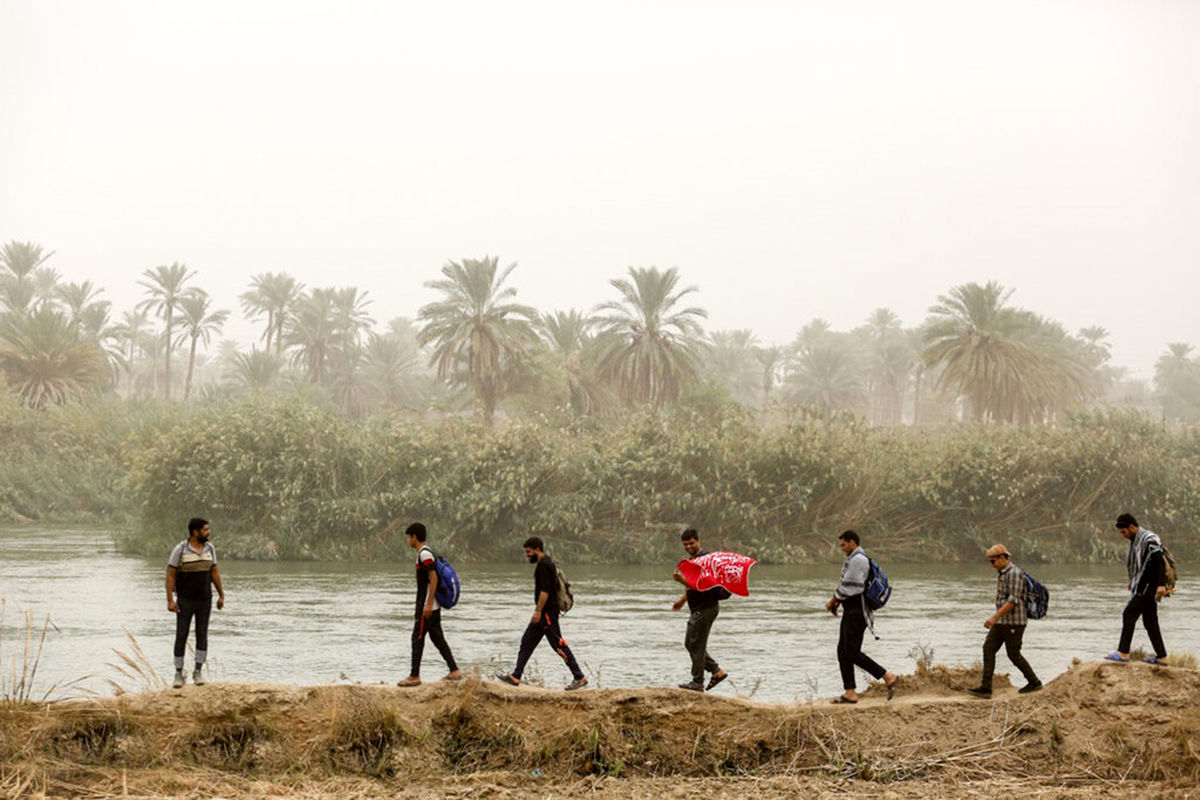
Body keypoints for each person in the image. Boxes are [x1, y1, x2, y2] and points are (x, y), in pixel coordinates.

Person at [497, 537, 587, 691]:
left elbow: (545, 591)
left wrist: (538, 611)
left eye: (529, 552)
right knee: (527, 642)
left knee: (558, 644)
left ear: (537, 549)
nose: (527, 555)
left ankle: (579, 677)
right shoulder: (546, 563)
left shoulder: (544, 565)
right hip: (544, 614)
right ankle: (516, 676)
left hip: (547, 613)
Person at [825, 530, 898, 704]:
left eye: (843, 545)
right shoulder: (854, 559)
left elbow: (853, 587)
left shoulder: (858, 560)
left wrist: (833, 600)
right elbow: (848, 587)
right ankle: (850, 692)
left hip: (857, 612)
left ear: (852, 542)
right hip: (851, 610)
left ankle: (887, 676)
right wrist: (838, 603)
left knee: (851, 652)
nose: (842, 548)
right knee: (843, 651)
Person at [967, 544, 1042, 697]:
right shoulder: (1003, 573)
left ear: (1002, 558)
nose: (991, 565)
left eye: (993, 561)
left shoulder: (1014, 573)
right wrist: (997, 618)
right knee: (988, 649)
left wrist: (994, 617)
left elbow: (1013, 600)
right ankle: (986, 688)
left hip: (1014, 622)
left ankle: (1034, 682)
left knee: (1014, 654)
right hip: (1003, 621)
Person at [396, 522, 462, 687]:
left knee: (417, 638)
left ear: (414, 537)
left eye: (408, 537)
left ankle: (414, 676)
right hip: (433, 605)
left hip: (428, 606)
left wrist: (427, 605)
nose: (407, 541)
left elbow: (434, 579)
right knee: (437, 637)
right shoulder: (426, 552)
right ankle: (454, 670)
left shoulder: (424, 554)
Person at [166, 518, 224, 688]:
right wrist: (170, 600)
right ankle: (178, 672)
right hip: (185, 599)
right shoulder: (181, 549)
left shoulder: (210, 548)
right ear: (195, 532)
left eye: (208, 529)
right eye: (205, 530)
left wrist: (221, 595)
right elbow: (170, 574)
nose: (208, 532)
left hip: (205, 599)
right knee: (181, 635)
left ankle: (198, 671)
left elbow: (214, 572)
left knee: (202, 634)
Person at [1105, 513, 1170, 665]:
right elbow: (1138, 565)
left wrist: (1161, 584)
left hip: (1148, 586)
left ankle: (1123, 653)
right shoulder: (1136, 542)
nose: (1123, 535)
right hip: (1143, 585)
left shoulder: (1149, 539)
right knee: (1150, 622)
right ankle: (1162, 657)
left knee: (1129, 614)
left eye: (1124, 531)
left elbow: (1159, 561)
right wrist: (1132, 581)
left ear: (1132, 527)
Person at [671, 528, 730, 692]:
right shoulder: (694, 560)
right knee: (691, 644)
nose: (688, 546)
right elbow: (692, 586)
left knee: (695, 644)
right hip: (698, 608)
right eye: (685, 544)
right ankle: (716, 672)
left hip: (706, 608)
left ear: (698, 541)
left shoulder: (704, 560)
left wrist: (680, 580)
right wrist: (682, 601)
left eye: (691, 543)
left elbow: (700, 586)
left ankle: (698, 682)